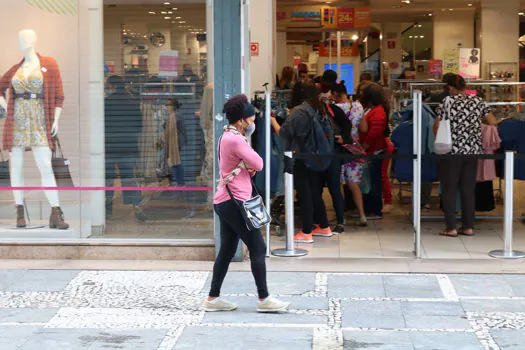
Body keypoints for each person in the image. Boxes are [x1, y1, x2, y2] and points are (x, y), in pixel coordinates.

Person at [205, 94, 290, 313]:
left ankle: (213, 298)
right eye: (251, 120)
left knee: (227, 250)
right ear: (242, 120)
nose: (253, 124)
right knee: (258, 247)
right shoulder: (235, 139)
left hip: (225, 200)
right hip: (236, 202)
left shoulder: (227, 135)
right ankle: (264, 299)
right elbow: (259, 163)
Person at [434, 74, 497, 237]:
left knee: (449, 189)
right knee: (468, 189)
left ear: (449, 87)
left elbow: (437, 126)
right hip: (473, 151)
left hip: (451, 151)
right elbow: (493, 121)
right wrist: (473, 127)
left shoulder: (447, 102)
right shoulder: (478, 101)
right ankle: (468, 226)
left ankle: (451, 228)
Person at [280, 80, 333, 243]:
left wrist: (273, 120)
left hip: (302, 156)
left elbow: (284, 133)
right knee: (314, 191)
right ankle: (324, 226)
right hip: (315, 156)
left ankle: (306, 231)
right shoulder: (317, 108)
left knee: (305, 193)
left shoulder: (299, 111)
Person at [104, 75, 145, 222]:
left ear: (111, 86)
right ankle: (137, 206)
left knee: (108, 179)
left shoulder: (106, 102)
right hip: (128, 146)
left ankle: (107, 210)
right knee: (129, 178)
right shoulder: (132, 102)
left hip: (109, 146)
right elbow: (139, 125)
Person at [317, 71, 352, 233]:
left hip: (330, 155)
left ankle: (339, 221)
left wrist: (342, 138)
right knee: (319, 190)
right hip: (318, 155)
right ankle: (322, 221)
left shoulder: (332, 110)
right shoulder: (312, 111)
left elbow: (346, 125)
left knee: (333, 189)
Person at [331, 83, 367, 227]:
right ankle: (362, 215)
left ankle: (341, 217)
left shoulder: (334, 109)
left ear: (335, 94)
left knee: (339, 183)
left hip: (338, 149)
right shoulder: (358, 106)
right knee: (354, 184)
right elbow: (364, 128)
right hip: (354, 149)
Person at [358, 82, 389, 217]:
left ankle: (374, 209)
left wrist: (365, 146)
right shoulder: (371, 109)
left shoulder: (377, 112)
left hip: (373, 151)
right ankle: (370, 207)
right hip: (370, 150)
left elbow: (374, 133)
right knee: (369, 179)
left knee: (373, 180)